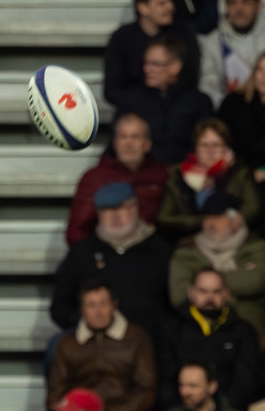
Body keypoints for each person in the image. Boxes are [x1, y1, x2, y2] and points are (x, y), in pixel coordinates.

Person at [50, 181, 173, 343]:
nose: (115, 216)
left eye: (122, 208)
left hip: (152, 342)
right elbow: (60, 307)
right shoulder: (82, 253)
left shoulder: (160, 249)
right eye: (107, 210)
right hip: (94, 343)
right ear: (98, 214)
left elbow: (175, 305)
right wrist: (91, 324)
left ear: (136, 207)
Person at [46, 281, 158, 411]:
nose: (98, 311)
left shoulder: (137, 338)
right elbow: (55, 396)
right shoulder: (67, 344)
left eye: (103, 303)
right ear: (82, 310)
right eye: (91, 305)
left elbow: (146, 392)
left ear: (114, 305)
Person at [160, 266, 261, 411]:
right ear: (191, 293)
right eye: (203, 291)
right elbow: (166, 381)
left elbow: (245, 381)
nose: (210, 298)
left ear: (226, 294)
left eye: (216, 291)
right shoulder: (172, 330)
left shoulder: (243, 331)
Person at [167, 193, 265, 333]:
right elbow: (179, 295)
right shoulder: (186, 251)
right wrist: (228, 294)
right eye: (207, 218)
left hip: (247, 331)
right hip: (197, 333)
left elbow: (256, 282)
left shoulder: (255, 247)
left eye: (218, 218)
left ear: (236, 219)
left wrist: (204, 286)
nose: (211, 224)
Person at [66, 113, 167, 245]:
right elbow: (76, 232)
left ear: (147, 144)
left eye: (135, 137)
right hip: (106, 250)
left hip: (150, 251)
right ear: (115, 143)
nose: (128, 143)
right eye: (123, 137)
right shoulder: (95, 178)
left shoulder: (162, 175)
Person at [120, 37, 214, 167]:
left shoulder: (198, 102)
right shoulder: (133, 100)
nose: (147, 69)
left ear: (175, 67)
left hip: (187, 172)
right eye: (145, 63)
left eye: (155, 64)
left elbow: (207, 143)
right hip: (142, 173)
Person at [104, 0, 202, 113]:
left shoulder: (184, 34)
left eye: (170, 1)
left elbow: (191, 79)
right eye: (162, 3)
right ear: (143, 8)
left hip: (178, 108)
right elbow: (112, 90)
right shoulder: (122, 38)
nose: (170, 7)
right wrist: (146, 103)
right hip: (135, 111)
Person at [198, 0, 265, 106]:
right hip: (229, 110)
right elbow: (208, 87)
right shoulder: (213, 41)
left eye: (245, 1)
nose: (239, 9)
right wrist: (227, 108)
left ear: (258, 5)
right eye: (233, 3)